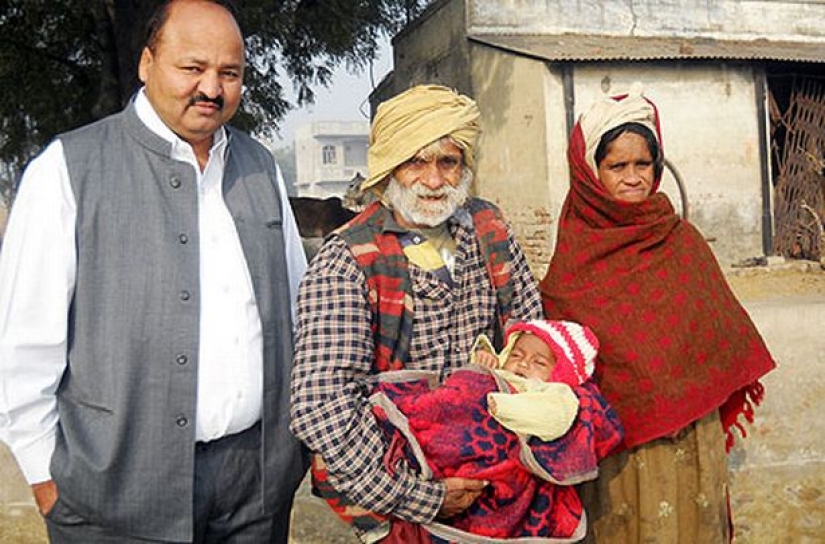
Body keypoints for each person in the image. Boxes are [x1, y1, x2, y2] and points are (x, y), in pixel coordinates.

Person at [0, 1, 307, 542]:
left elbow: (298, 307)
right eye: (192, 68)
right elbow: (24, 345)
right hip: (114, 495)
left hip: (254, 493)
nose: (211, 88)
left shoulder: (260, 169)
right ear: (146, 63)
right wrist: (47, 478)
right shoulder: (67, 171)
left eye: (229, 73)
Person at [289, 84, 545, 542]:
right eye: (416, 162)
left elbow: (533, 338)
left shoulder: (489, 231)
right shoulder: (346, 260)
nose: (434, 180)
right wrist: (423, 494)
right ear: (390, 167)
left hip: (494, 482)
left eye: (448, 161)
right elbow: (322, 407)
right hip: (396, 497)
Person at [538, 83, 777, 542]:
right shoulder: (575, 257)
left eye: (643, 164)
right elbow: (565, 354)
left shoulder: (682, 242)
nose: (633, 177)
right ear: (591, 172)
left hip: (691, 438)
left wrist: (683, 386)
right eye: (617, 166)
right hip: (618, 450)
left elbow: (720, 336)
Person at [367, 319, 624, 542]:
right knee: (443, 404)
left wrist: (501, 405)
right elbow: (464, 392)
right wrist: (484, 365)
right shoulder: (502, 375)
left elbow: (553, 418)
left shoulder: (554, 393)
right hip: (463, 429)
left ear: (560, 373)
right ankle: (412, 426)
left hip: (500, 453)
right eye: (517, 354)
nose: (523, 364)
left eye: (539, 362)